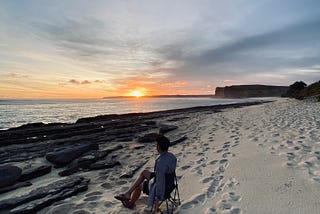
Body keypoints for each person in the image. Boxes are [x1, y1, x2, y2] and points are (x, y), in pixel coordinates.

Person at [114, 135, 177, 212]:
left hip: (164, 188)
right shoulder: (172, 156)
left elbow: (160, 183)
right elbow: (166, 173)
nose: (156, 147)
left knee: (139, 186)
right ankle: (128, 194)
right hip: (170, 183)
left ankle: (131, 203)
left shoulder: (160, 163)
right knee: (144, 172)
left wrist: (157, 199)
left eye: (157, 145)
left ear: (159, 147)